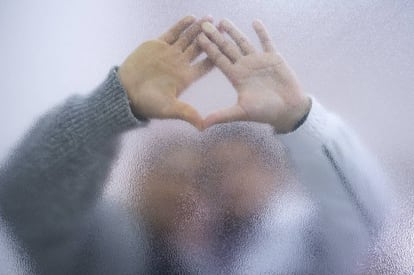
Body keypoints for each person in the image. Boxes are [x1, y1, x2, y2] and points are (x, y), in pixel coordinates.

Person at [0, 15, 393, 274]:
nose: (185, 191)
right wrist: (108, 107)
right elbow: (24, 202)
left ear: (275, 173)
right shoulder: (110, 240)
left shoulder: (302, 240)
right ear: (142, 177)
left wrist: (301, 120)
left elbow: (368, 215)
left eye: (200, 179)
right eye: (173, 173)